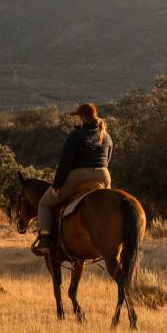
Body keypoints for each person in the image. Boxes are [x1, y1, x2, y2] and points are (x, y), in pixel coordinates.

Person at [35, 103, 113, 254]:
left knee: (44, 204)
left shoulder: (75, 135)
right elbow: (107, 159)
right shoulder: (107, 136)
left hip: (80, 175)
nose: (75, 119)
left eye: (76, 116)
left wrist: (57, 185)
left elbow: (65, 163)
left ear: (82, 118)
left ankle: (44, 240)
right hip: (104, 175)